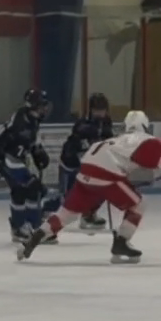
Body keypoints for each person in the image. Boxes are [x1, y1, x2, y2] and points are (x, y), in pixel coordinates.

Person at [19, 109, 161, 264]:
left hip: (86, 171)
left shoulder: (116, 140)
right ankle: (121, 242)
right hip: (106, 173)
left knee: (67, 214)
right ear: (145, 125)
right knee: (138, 204)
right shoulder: (144, 139)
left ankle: (37, 236)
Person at [0, 88, 52, 243]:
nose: (45, 108)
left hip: (11, 156)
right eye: (42, 105)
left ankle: (28, 226)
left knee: (29, 190)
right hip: (3, 157)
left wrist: (37, 151)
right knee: (26, 189)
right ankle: (24, 228)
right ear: (34, 105)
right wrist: (25, 178)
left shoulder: (31, 117)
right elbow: (11, 157)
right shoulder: (21, 127)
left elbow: (30, 141)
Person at [51, 92, 115, 234]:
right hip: (71, 164)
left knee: (103, 187)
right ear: (91, 110)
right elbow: (75, 146)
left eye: (103, 110)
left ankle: (88, 215)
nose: (100, 113)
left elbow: (108, 140)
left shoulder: (106, 122)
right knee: (69, 199)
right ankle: (47, 211)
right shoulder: (82, 125)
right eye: (97, 110)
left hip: (90, 164)